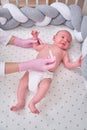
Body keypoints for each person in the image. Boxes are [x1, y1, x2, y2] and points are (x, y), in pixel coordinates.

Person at [10, 30, 82, 114]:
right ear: (54, 38)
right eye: (62, 37)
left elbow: (68, 64)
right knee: (22, 82)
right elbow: (36, 47)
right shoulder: (46, 45)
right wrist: (35, 38)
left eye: (68, 41)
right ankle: (20, 102)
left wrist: (77, 63)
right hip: (34, 67)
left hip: (46, 74)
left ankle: (33, 103)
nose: (65, 40)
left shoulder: (63, 53)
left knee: (45, 86)